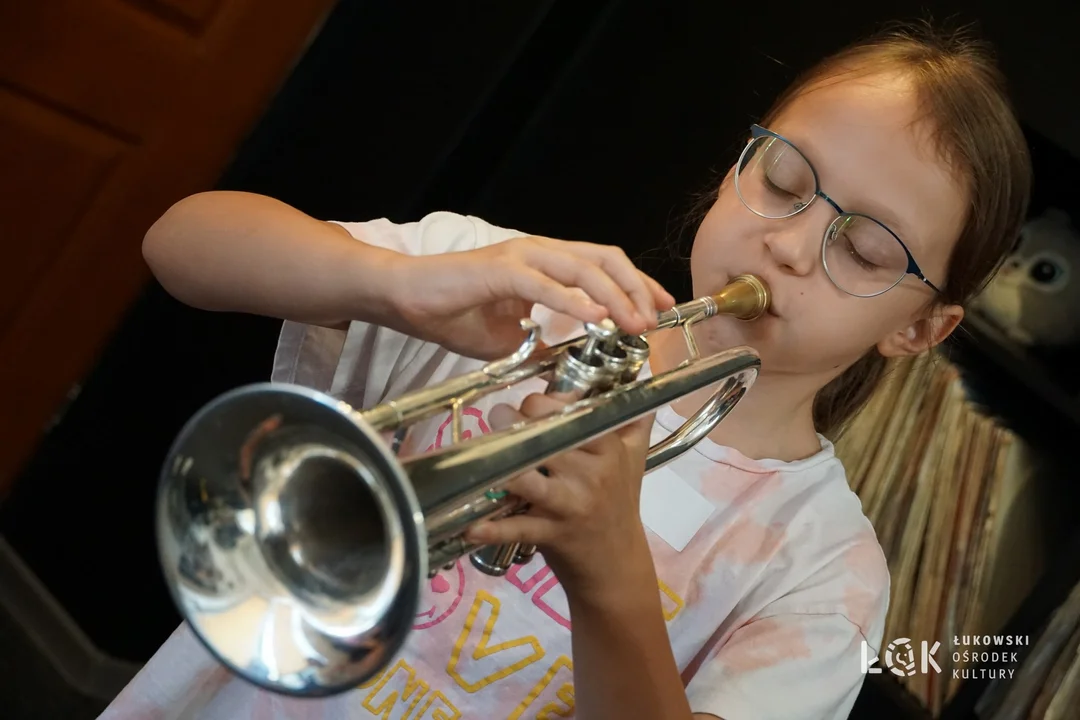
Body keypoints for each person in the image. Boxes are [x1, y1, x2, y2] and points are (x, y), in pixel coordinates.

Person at [100, 20, 1031, 720]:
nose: (788, 246)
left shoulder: (823, 568)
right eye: (784, 181)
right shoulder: (525, 292)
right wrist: (399, 285)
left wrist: (611, 573)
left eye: (864, 250)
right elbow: (179, 243)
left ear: (921, 328)